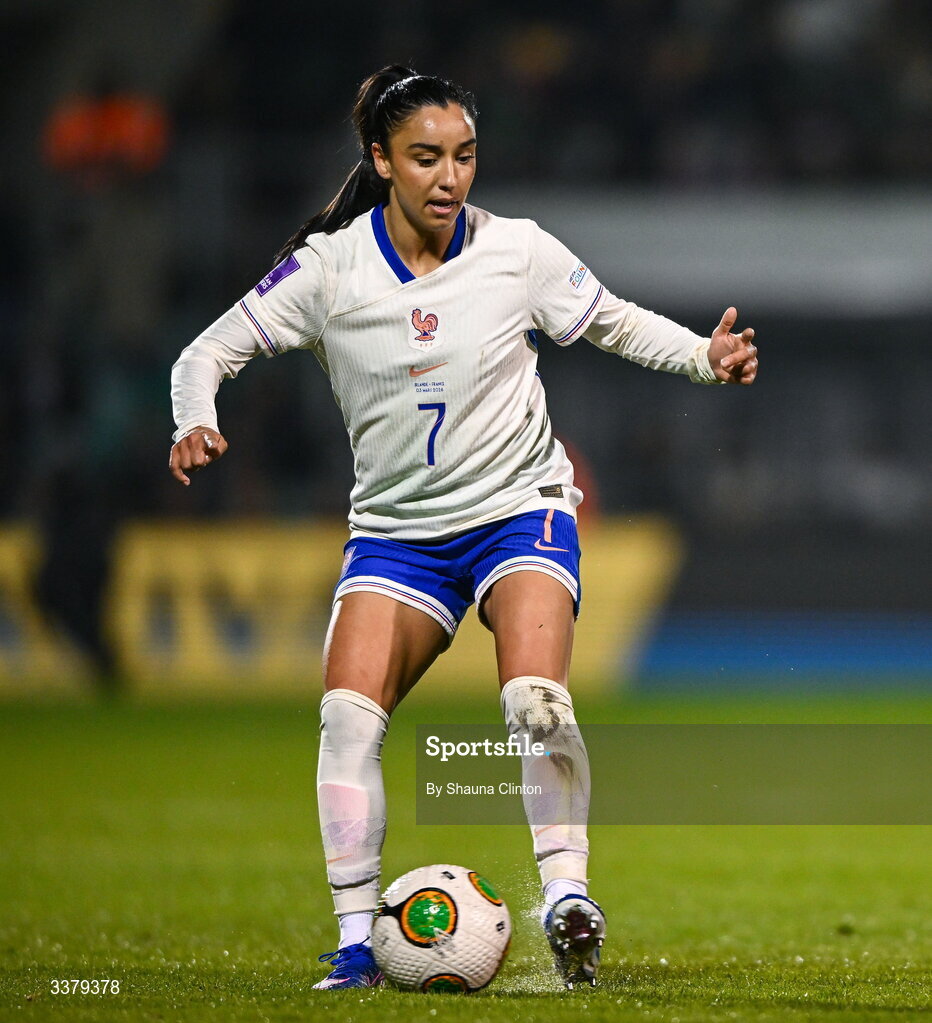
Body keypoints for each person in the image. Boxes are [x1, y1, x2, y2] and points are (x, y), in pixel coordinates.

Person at [169, 65, 758, 991]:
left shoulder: (515, 250)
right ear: (381, 159)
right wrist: (192, 414)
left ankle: (569, 897)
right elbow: (206, 351)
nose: (450, 178)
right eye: (426, 157)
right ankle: (358, 942)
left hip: (518, 509)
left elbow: (608, 321)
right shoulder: (328, 270)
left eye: (465, 156)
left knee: (535, 702)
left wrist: (703, 357)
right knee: (346, 721)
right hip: (397, 536)